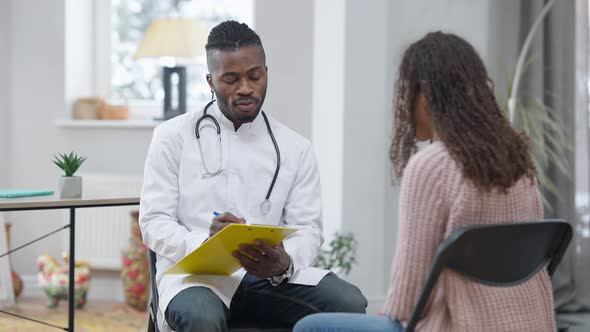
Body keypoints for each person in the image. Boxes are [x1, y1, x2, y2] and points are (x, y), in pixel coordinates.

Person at [294, 31, 556, 332]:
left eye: (406, 91)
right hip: (529, 323)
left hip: (459, 325)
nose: (403, 103)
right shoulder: (518, 159)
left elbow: (409, 296)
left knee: (311, 327)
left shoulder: (432, 167)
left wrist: (390, 312)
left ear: (427, 94)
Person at [139, 20, 367, 332]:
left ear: (265, 73)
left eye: (254, 76)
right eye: (230, 79)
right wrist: (205, 243)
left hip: (270, 279)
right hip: (196, 278)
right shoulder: (171, 137)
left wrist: (284, 262)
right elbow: (153, 223)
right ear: (210, 80)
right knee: (201, 318)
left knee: (348, 302)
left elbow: (309, 230)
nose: (245, 88)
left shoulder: (295, 148)